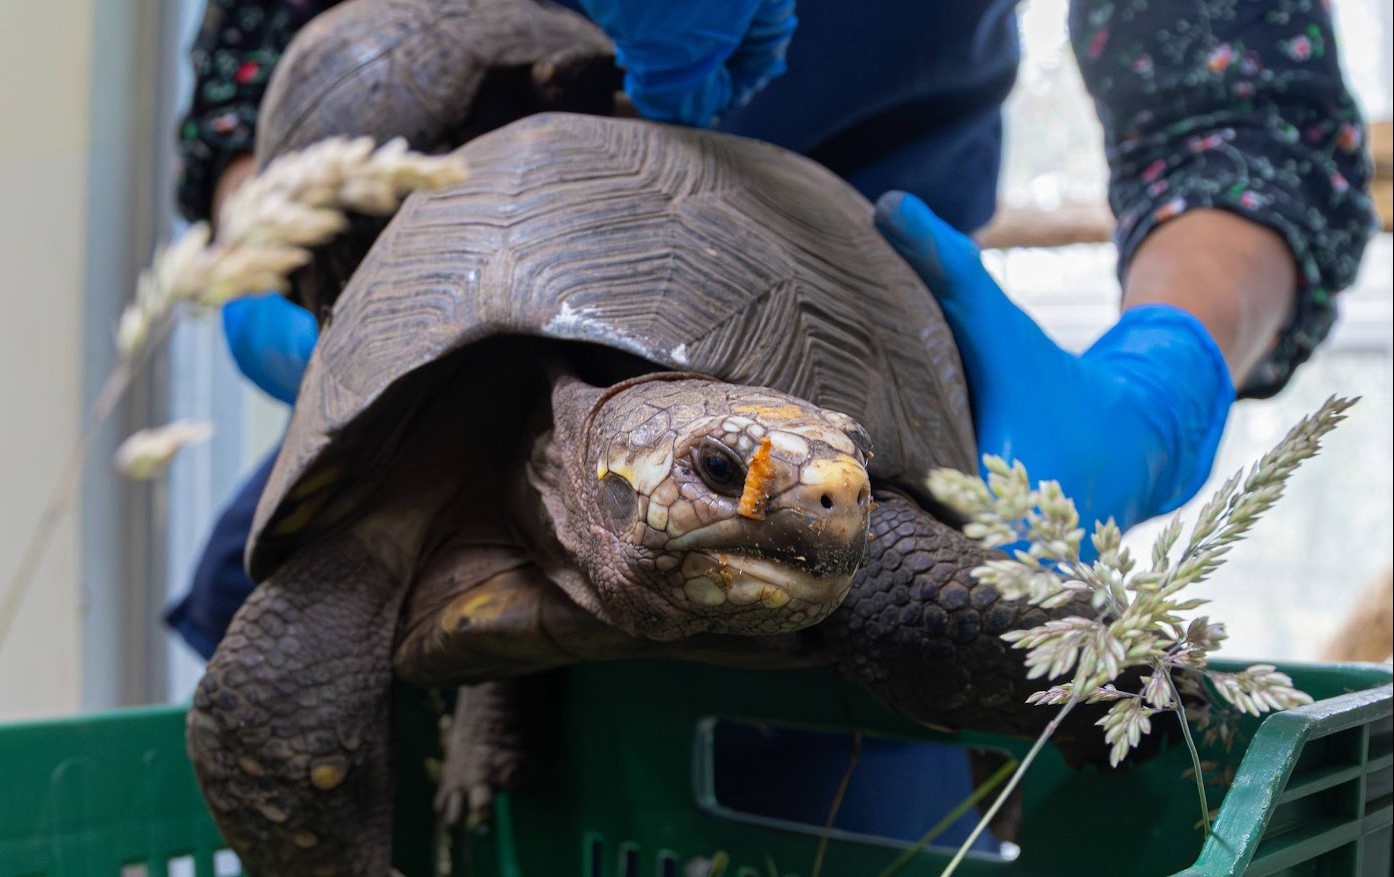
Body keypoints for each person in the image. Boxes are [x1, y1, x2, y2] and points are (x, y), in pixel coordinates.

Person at [167, 0, 1375, 843]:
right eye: (715, 466)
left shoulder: (822, 502)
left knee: (926, 628)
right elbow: (252, 93)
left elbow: (1239, 118)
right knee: (283, 720)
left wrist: (1164, 368)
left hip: (829, 293)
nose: (828, 497)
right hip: (431, 301)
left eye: (838, 482)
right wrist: (286, 250)